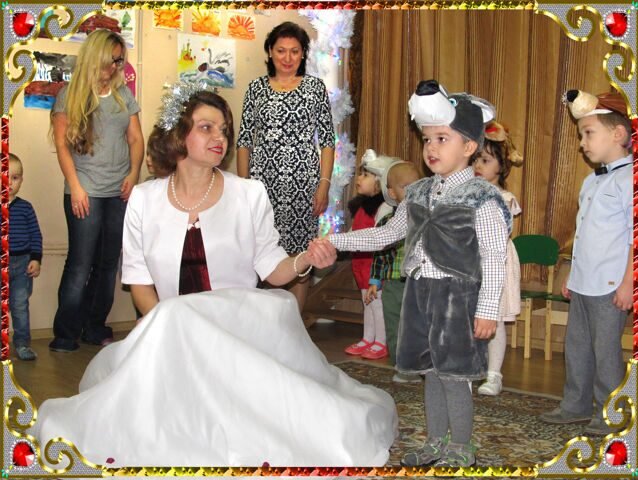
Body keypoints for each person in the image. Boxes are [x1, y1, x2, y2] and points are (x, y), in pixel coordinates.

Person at [33, 83, 397, 467]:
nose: (219, 138)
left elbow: (274, 270)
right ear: (179, 135)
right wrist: (165, 330)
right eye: (206, 128)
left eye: (224, 130)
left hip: (237, 332)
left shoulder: (249, 194)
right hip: (172, 335)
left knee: (305, 428)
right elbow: (139, 284)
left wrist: (305, 258)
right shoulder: (143, 198)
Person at [321, 80, 511, 467]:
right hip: (419, 295)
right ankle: (435, 440)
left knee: (454, 375)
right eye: (427, 139)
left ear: (469, 147)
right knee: (430, 372)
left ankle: (461, 446)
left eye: (442, 139)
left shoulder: (482, 197)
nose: (431, 148)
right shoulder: (419, 191)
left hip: (457, 298)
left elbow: (494, 256)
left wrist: (487, 308)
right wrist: (336, 241)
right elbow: (387, 233)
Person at [540, 90, 632, 436]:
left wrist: (629, 283)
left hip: (610, 285)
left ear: (618, 134)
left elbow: (634, 238)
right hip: (583, 282)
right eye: (581, 135)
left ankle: (610, 413)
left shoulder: (630, 180)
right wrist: (571, 274)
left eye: (588, 133)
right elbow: (583, 234)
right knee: (576, 346)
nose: (582, 143)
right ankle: (575, 405)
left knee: (605, 351)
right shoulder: (591, 180)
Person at [49, 29, 144, 352]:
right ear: (94, 58)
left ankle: (94, 327)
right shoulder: (69, 95)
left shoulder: (123, 95)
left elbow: (136, 139)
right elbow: (62, 145)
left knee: (107, 263)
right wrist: (75, 187)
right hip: (84, 190)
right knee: (80, 263)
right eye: (110, 60)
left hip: (119, 191)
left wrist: (134, 173)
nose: (114, 67)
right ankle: (65, 334)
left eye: (119, 61)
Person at [237, 21, 336, 313]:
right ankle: (262, 324)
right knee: (259, 255)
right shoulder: (255, 88)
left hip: (303, 186)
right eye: (281, 50)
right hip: (262, 186)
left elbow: (327, 141)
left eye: (295, 51)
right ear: (270, 51)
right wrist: (243, 188)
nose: (288, 57)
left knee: (300, 255)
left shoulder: (315, 88)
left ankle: (294, 326)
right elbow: (244, 141)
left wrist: (324, 185)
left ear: (303, 53)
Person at [472, 120, 523, 396]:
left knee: (495, 318)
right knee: (468, 318)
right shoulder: (466, 195)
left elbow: (496, 234)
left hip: (496, 261)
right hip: (470, 262)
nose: (478, 166)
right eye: (475, 160)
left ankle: (494, 375)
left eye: (486, 160)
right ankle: (470, 368)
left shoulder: (504, 198)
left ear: (501, 167)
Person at [364, 161, 422, 382]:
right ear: (392, 192)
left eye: (417, 185)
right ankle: (401, 364)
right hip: (393, 284)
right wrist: (374, 281)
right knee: (394, 322)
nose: (413, 191)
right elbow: (379, 254)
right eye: (406, 187)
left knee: (416, 324)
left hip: (417, 283)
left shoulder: (424, 219)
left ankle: (420, 363)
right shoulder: (388, 222)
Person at [344, 150, 395, 360]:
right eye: (360, 173)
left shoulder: (383, 207)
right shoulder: (361, 207)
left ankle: (381, 342)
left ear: (379, 181)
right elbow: (354, 231)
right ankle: (368, 338)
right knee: (367, 303)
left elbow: (380, 236)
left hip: (374, 265)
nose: (359, 178)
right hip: (360, 263)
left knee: (377, 304)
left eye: (365, 175)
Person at [8, 153, 42, 361]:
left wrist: (36, 259)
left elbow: (35, 235)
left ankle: (22, 344)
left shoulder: (25, 208)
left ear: (21, 180)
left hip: (22, 264)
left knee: (20, 306)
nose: (9, 183)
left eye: (15, 177)